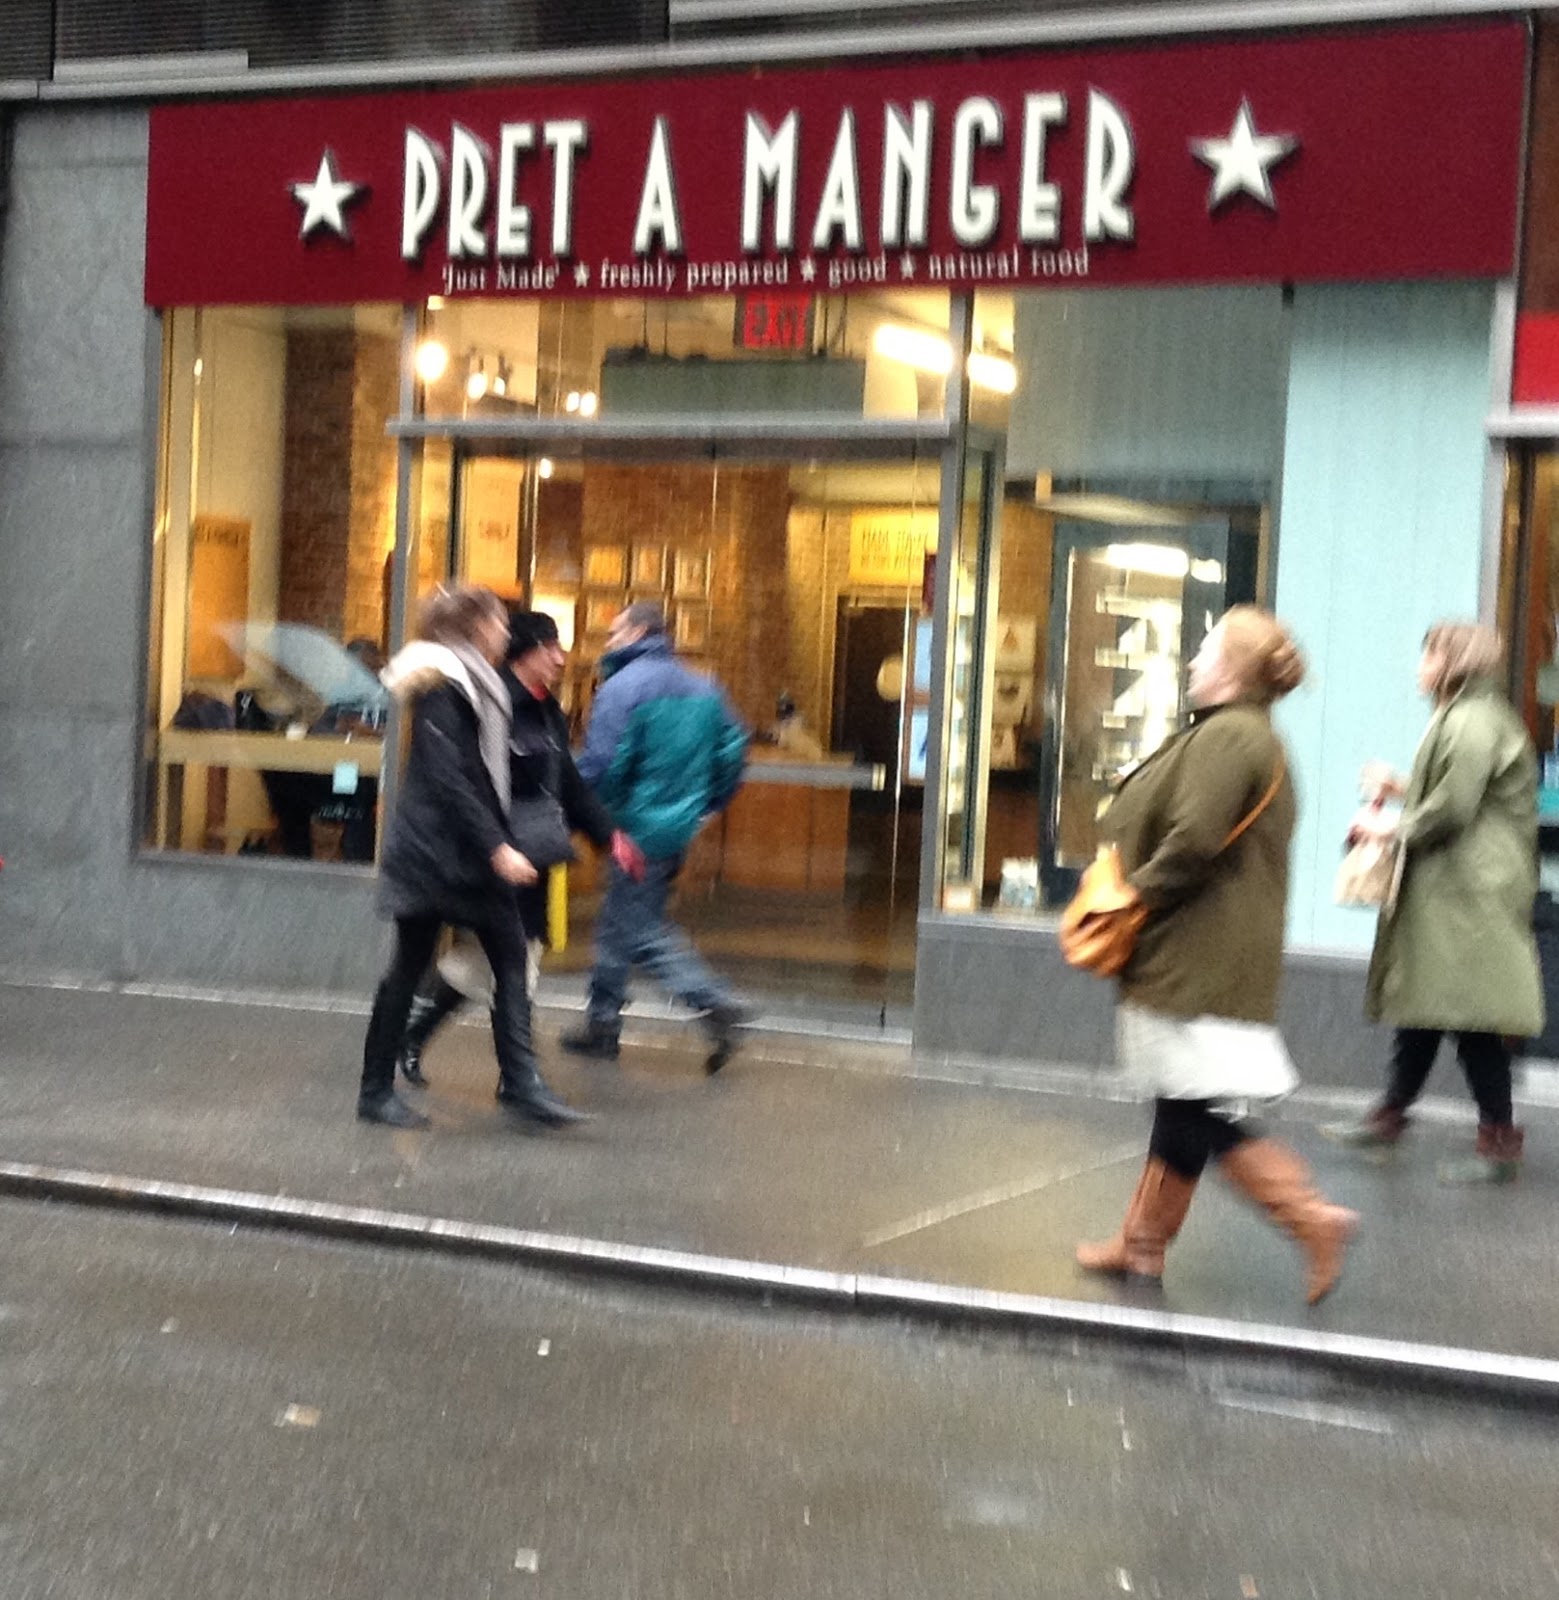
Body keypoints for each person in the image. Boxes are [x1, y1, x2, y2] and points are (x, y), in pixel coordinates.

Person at [1075, 606, 1358, 1305]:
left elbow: (1194, 841)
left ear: (1231, 672)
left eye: (1204, 651)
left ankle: (1307, 1218)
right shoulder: (1240, 735)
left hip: (1195, 955)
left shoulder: (1231, 738)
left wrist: (1132, 898)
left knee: (1193, 1110)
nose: (1192, 661)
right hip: (1201, 951)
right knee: (1180, 1103)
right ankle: (1140, 1245)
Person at [357, 584, 585, 1130]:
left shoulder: (479, 683)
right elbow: (449, 776)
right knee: (408, 970)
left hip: (464, 853)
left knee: (510, 957)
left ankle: (522, 1084)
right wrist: (498, 846)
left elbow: (484, 773)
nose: (506, 631)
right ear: (474, 627)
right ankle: (374, 1091)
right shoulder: (443, 685)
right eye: (499, 621)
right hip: (435, 853)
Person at [1324, 622, 1542, 1182]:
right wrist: (1400, 787)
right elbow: (1463, 793)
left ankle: (1497, 1145)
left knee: (1467, 1016)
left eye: (1427, 656)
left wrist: (1387, 831)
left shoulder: (1469, 721)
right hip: (1460, 890)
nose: (1418, 667)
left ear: (1452, 663)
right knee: (1430, 1005)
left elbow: (1452, 808)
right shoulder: (1474, 717)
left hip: (1468, 892)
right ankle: (1391, 1118)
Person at [397, 609, 635, 1085]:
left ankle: (416, 1035)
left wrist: (609, 835)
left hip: (533, 854)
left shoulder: (547, 709)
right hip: (498, 855)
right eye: (551, 648)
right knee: (516, 963)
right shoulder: (491, 703)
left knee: (493, 962)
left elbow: (567, 782)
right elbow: (464, 784)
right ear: (527, 652)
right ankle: (519, 1078)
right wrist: (492, 847)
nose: (561, 658)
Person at [561, 600, 752, 1073]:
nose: (608, 641)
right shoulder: (705, 685)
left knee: (639, 930)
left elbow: (603, 763)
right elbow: (733, 748)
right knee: (619, 922)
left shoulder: (622, 688)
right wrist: (709, 803)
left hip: (633, 827)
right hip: (678, 826)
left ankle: (714, 1003)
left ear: (640, 631)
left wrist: (583, 812)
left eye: (614, 632)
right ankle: (601, 1025)